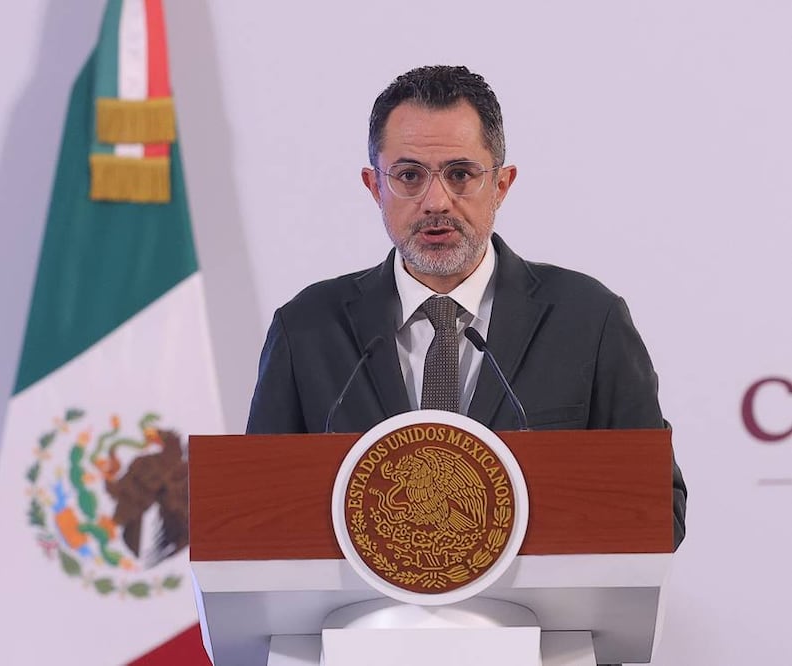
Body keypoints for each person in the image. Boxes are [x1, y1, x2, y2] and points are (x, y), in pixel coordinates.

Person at [245, 65, 686, 550]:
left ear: (501, 183)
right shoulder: (307, 329)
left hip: (536, 623)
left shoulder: (587, 320)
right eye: (409, 176)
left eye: (460, 174)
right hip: (360, 624)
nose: (437, 201)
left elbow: (658, 510)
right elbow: (256, 514)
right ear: (375, 187)